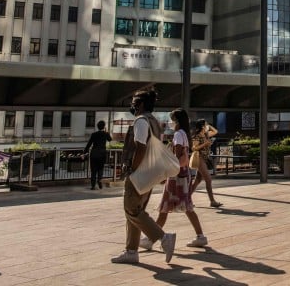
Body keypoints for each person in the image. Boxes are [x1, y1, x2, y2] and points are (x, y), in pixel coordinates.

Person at [111, 89, 176, 265]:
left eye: (133, 102)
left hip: (138, 173)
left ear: (140, 104)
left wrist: (133, 169)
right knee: (135, 212)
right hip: (149, 173)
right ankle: (131, 251)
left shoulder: (141, 121)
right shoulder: (154, 121)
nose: (132, 106)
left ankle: (164, 238)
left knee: (131, 210)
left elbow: (140, 147)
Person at [142, 108, 208, 250]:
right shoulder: (185, 134)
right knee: (186, 206)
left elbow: (177, 155)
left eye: (172, 120)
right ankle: (200, 236)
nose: (170, 123)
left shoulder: (178, 134)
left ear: (176, 121)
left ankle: (151, 239)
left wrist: (165, 173)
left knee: (165, 207)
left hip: (175, 176)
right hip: (183, 174)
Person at [189, 119, 223, 208]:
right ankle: (212, 201)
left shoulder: (206, 134)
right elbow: (194, 148)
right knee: (208, 179)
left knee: (197, 180)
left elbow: (215, 131)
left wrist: (208, 126)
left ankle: (186, 199)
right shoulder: (196, 136)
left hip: (205, 158)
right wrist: (205, 144)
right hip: (199, 158)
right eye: (206, 124)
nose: (208, 126)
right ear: (202, 126)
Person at [83, 120, 112, 190]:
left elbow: (89, 144)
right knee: (100, 169)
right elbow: (110, 139)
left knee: (93, 170)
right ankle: (99, 180)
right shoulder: (105, 134)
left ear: (97, 127)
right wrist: (106, 131)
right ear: (104, 126)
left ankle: (93, 186)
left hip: (94, 154)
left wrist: (84, 152)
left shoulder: (94, 134)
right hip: (102, 154)